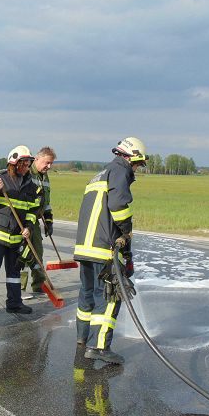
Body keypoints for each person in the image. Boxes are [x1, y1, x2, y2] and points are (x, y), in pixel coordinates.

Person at [73, 137, 147, 364]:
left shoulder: (101, 173)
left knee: (88, 294)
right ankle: (100, 347)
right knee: (110, 297)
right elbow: (117, 207)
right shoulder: (120, 170)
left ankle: (83, 339)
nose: (136, 169)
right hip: (103, 247)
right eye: (137, 164)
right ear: (131, 158)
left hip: (85, 247)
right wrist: (126, 232)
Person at [0, 145, 41, 317]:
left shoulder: (30, 185)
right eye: (24, 163)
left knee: (14, 273)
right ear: (14, 163)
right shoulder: (0, 178)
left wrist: (28, 227)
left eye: (28, 164)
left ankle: (14, 304)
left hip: (16, 237)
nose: (27, 167)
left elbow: (33, 211)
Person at [20, 147, 56, 299]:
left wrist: (48, 220)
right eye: (46, 163)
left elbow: (46, 202)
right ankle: (19, 288)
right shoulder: (27, 173)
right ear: (36, 159)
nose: (49, 166)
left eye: (51, 163)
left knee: (38, 252)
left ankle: (38, 285)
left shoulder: (45, 177)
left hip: (35, 220)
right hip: (23, 219)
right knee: (23, 255)